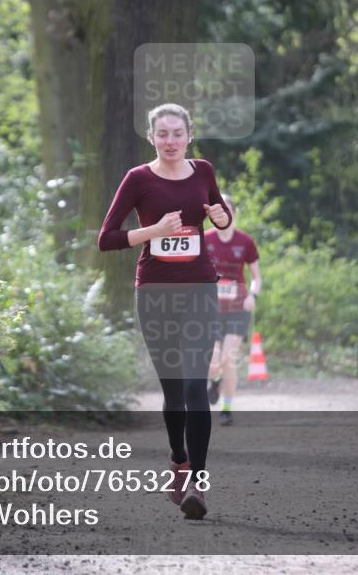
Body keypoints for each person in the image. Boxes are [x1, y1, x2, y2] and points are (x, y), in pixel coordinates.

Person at [98, 102, 231, 519]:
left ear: (189, 135)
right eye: (163, 134)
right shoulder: (137, 179)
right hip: (154, 293)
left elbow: (220, 218)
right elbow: (106, 238)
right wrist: (153, 232)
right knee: (174, 392)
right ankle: (179, 460)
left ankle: (199, 486)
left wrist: (222, 217)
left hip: (199, 289)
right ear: (151, 137)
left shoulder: (204, 171)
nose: (170, 141)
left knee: (195, 387)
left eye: (178, 133)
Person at [204, 196, 261, 426]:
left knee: (229, 358)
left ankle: (227, 409)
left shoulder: (245, 241)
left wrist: (252, 295)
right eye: (219, 210)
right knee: (213, 361)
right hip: (210, 309)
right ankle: (214, 380)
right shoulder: (204, 239)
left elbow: (257, 278)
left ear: (234, 213)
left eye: (227, 210)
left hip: (237, 307)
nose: (223, 214)